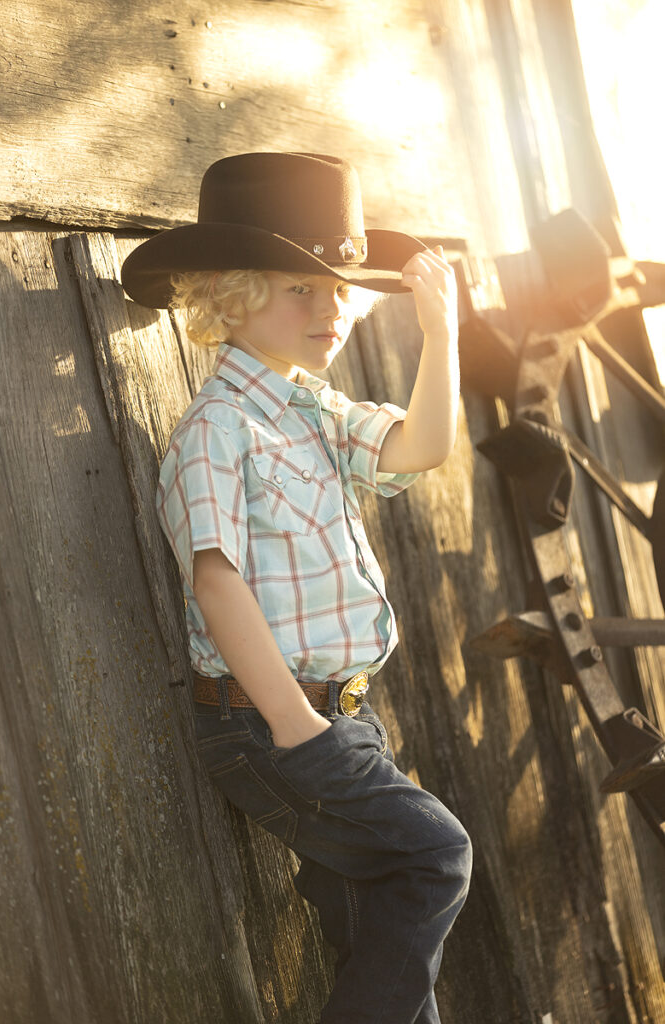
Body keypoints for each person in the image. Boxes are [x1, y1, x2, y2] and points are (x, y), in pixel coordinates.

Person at [120, 152, 472, 1024]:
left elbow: (421, 448)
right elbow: (216, 579)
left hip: (337, 716)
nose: (331, 309)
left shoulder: (312, 410)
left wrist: (443, 335)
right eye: (297, 289)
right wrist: (294, 723)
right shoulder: (219, 429)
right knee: (434, 854)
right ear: (232, 296)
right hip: (268, 720)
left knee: (375, 923)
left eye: (340, 287)